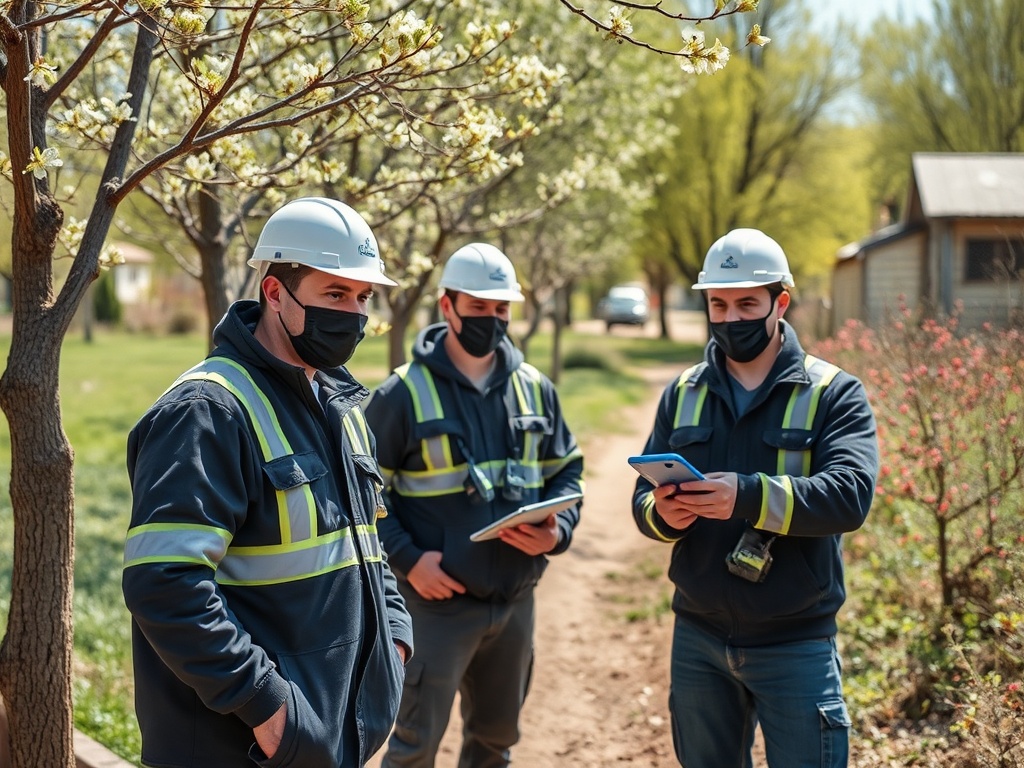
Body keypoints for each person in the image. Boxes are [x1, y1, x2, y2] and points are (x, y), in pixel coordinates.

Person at [122, 197, 413, 768]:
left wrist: (394, 641)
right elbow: (165, 584)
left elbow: (366, 546)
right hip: (242, 747)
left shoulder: (341, 403)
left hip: (328, 740)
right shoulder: (206, 411)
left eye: (362, 298)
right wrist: (268, 707)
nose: (354, 315)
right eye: (335, 295)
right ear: (275, 292)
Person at [632, 228, 879, 768]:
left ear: (780, 301)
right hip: (697, 638)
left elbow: (850, 497)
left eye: (747, 303)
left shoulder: (834, 393)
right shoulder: (683, 393)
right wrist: (665, 516)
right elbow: (642, 503)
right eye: (718, 304)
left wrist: (744, 495)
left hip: (797, 642)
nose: (731, 318)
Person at [366, 243, 584, 768]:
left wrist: (558, 533)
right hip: (434, 607)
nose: (491, 319)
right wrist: (409, 561)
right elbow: (363, 494)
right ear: (447, 307)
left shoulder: (536, 390)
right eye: (478, 307)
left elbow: (567, 473)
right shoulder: (402, 394)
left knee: (495, 743)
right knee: (414, 748)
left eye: (501, 308)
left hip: (515, 603)